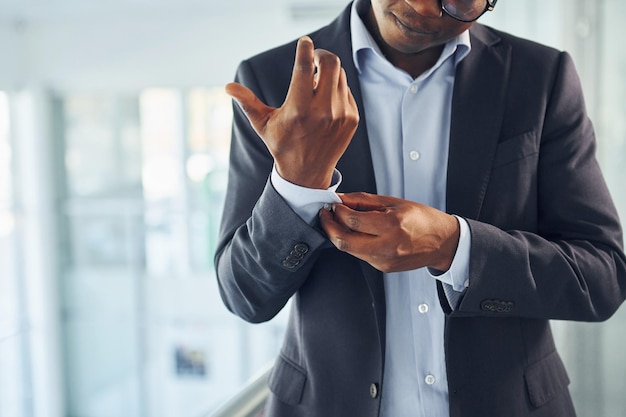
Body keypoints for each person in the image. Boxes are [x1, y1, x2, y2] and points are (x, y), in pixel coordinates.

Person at [214, 0, 626, 416]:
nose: (425, 8)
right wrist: (298, 186)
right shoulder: (272, 81)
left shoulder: (540, 76)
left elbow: (602, 276)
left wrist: (454, 247)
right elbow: (245, 296)